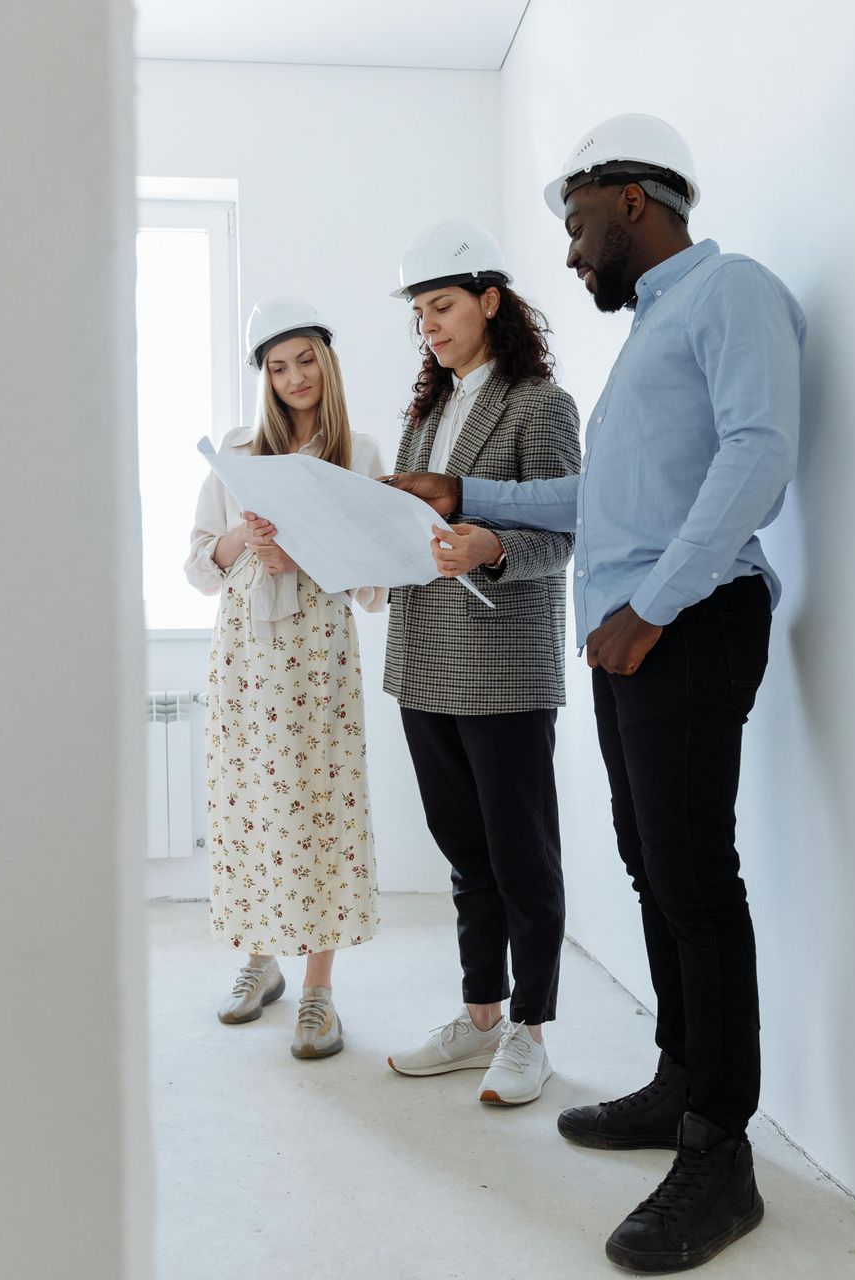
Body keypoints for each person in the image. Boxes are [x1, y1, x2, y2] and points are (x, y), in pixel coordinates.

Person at [389, 115, 806, 1273]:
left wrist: (656, 603)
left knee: (694, 877)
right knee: (650, 863)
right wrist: (461, 485)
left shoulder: (734, 293)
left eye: (577, 226)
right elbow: (599, 505)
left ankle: (720, 1155)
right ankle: (679, 1080)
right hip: (637, 637)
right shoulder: (654, 333)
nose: (570, 256)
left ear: (631, 197)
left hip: (693, 621)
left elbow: (760, 453)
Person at [377, 219, 581, 1106]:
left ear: (490, 301)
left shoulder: (542, 404)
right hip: (423, 655)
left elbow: (566, 531)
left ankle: (533, 1030)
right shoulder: (421, 413)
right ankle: (482, 1015)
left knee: (521, 855)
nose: (429, 324)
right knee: (465, 852)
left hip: (503, 658)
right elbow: (403, 526)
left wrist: (491, 543)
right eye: (420, 312)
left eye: (444, 306)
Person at [185, 294, 388, 1061]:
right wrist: (242, 537)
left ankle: (318, 994)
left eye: (306, 360)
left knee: (317, 806)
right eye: (278, 365)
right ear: (262, 376)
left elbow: (375, 582)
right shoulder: (237, 450)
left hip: (316, 655)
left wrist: (304, 553)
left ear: (326, 363)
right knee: (249, 804)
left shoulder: (358, 453)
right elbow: (197, 565)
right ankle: (260, 961)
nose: (295, 376)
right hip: (243, 656)